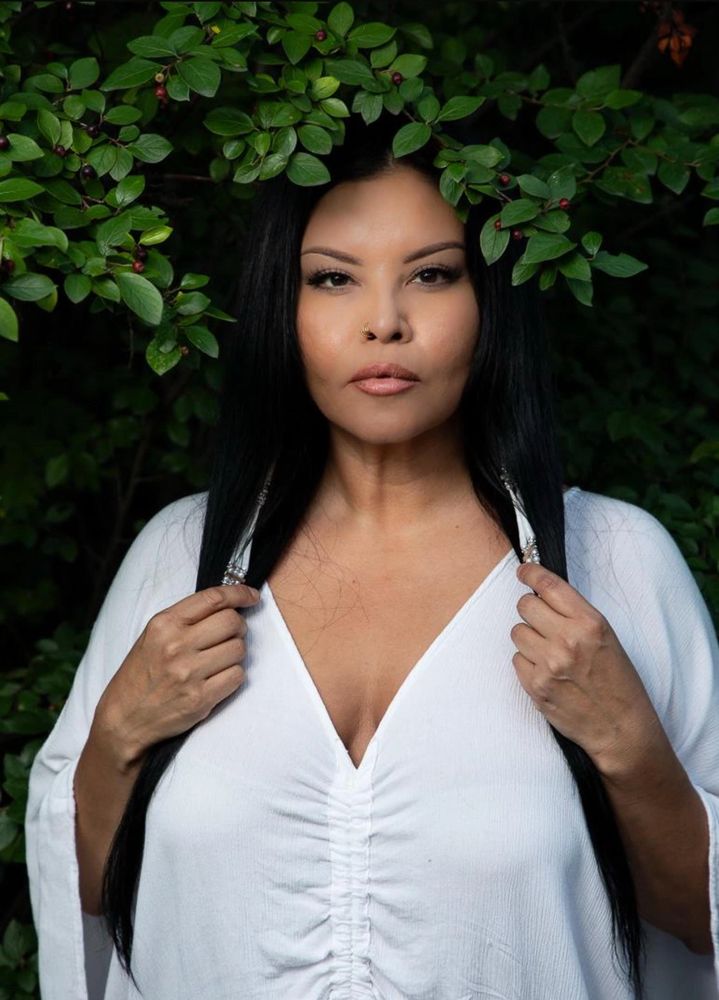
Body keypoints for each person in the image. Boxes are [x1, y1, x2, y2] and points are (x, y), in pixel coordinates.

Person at [25, 114, 718, 1000]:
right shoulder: (180, 555)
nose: (384, 323)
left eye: (431, 275)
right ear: (286, 306)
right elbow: (77, 903)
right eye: (332, 279)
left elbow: (699, 926)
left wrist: (629, 748)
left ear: (488, 302)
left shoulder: (617, 564)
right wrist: (118, 736)